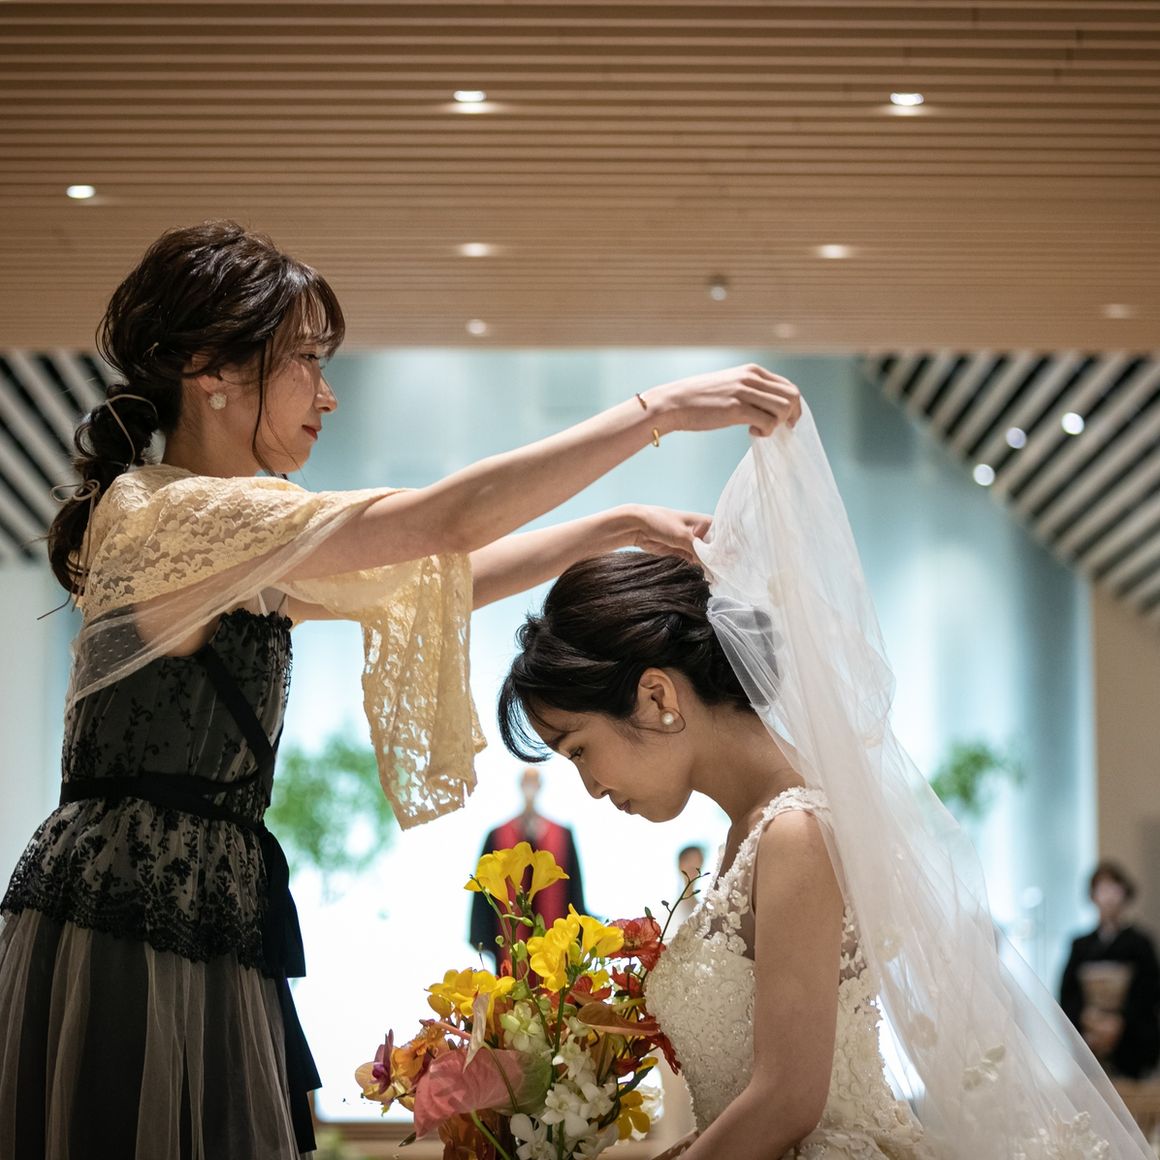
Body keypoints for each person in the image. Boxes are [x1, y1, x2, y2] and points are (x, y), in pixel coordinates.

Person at [0, 219, 804, 1160]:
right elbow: (443, 523)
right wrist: (655, 410)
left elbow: (440, 573)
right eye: (305, 359)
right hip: (136, 910)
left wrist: (612, 527)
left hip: (196, 900)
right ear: (211, 370)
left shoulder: (219, 532)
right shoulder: (172, 514)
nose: (327, 393)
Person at [498, 405, 1154, 1158]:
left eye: (579, 749)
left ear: (656, 696)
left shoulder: (795, 834)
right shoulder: (749, 832)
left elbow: (787, 1101)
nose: (588, 787)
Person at [469, 767, 587, 969]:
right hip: (509, 938)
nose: (530, 788)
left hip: (555, 944)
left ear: (540, 787)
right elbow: (483, 888)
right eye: (527, 782)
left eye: (534, 782)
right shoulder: (496, 835)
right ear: (520, 786)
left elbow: (573, 888)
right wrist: (483, 937)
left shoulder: (563, 835)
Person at [1061, 860, 1160, 1080]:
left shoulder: (1140, 943)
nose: (1108, 897)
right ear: (1093, 895)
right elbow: (1068, 992)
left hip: (1130, 1039)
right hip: (1090, 1034)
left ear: (1125, 893)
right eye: (1102, 889)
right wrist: (1087, 1020)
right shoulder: (1081, 945)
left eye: (1114, 888)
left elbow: (1148, 991)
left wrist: (1119, 1023)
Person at [670, 844, 705, 928]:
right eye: (689, 860)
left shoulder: (702, 909)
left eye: (698, 860)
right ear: (680, 864)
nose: (693, 864)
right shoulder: (668, 909)